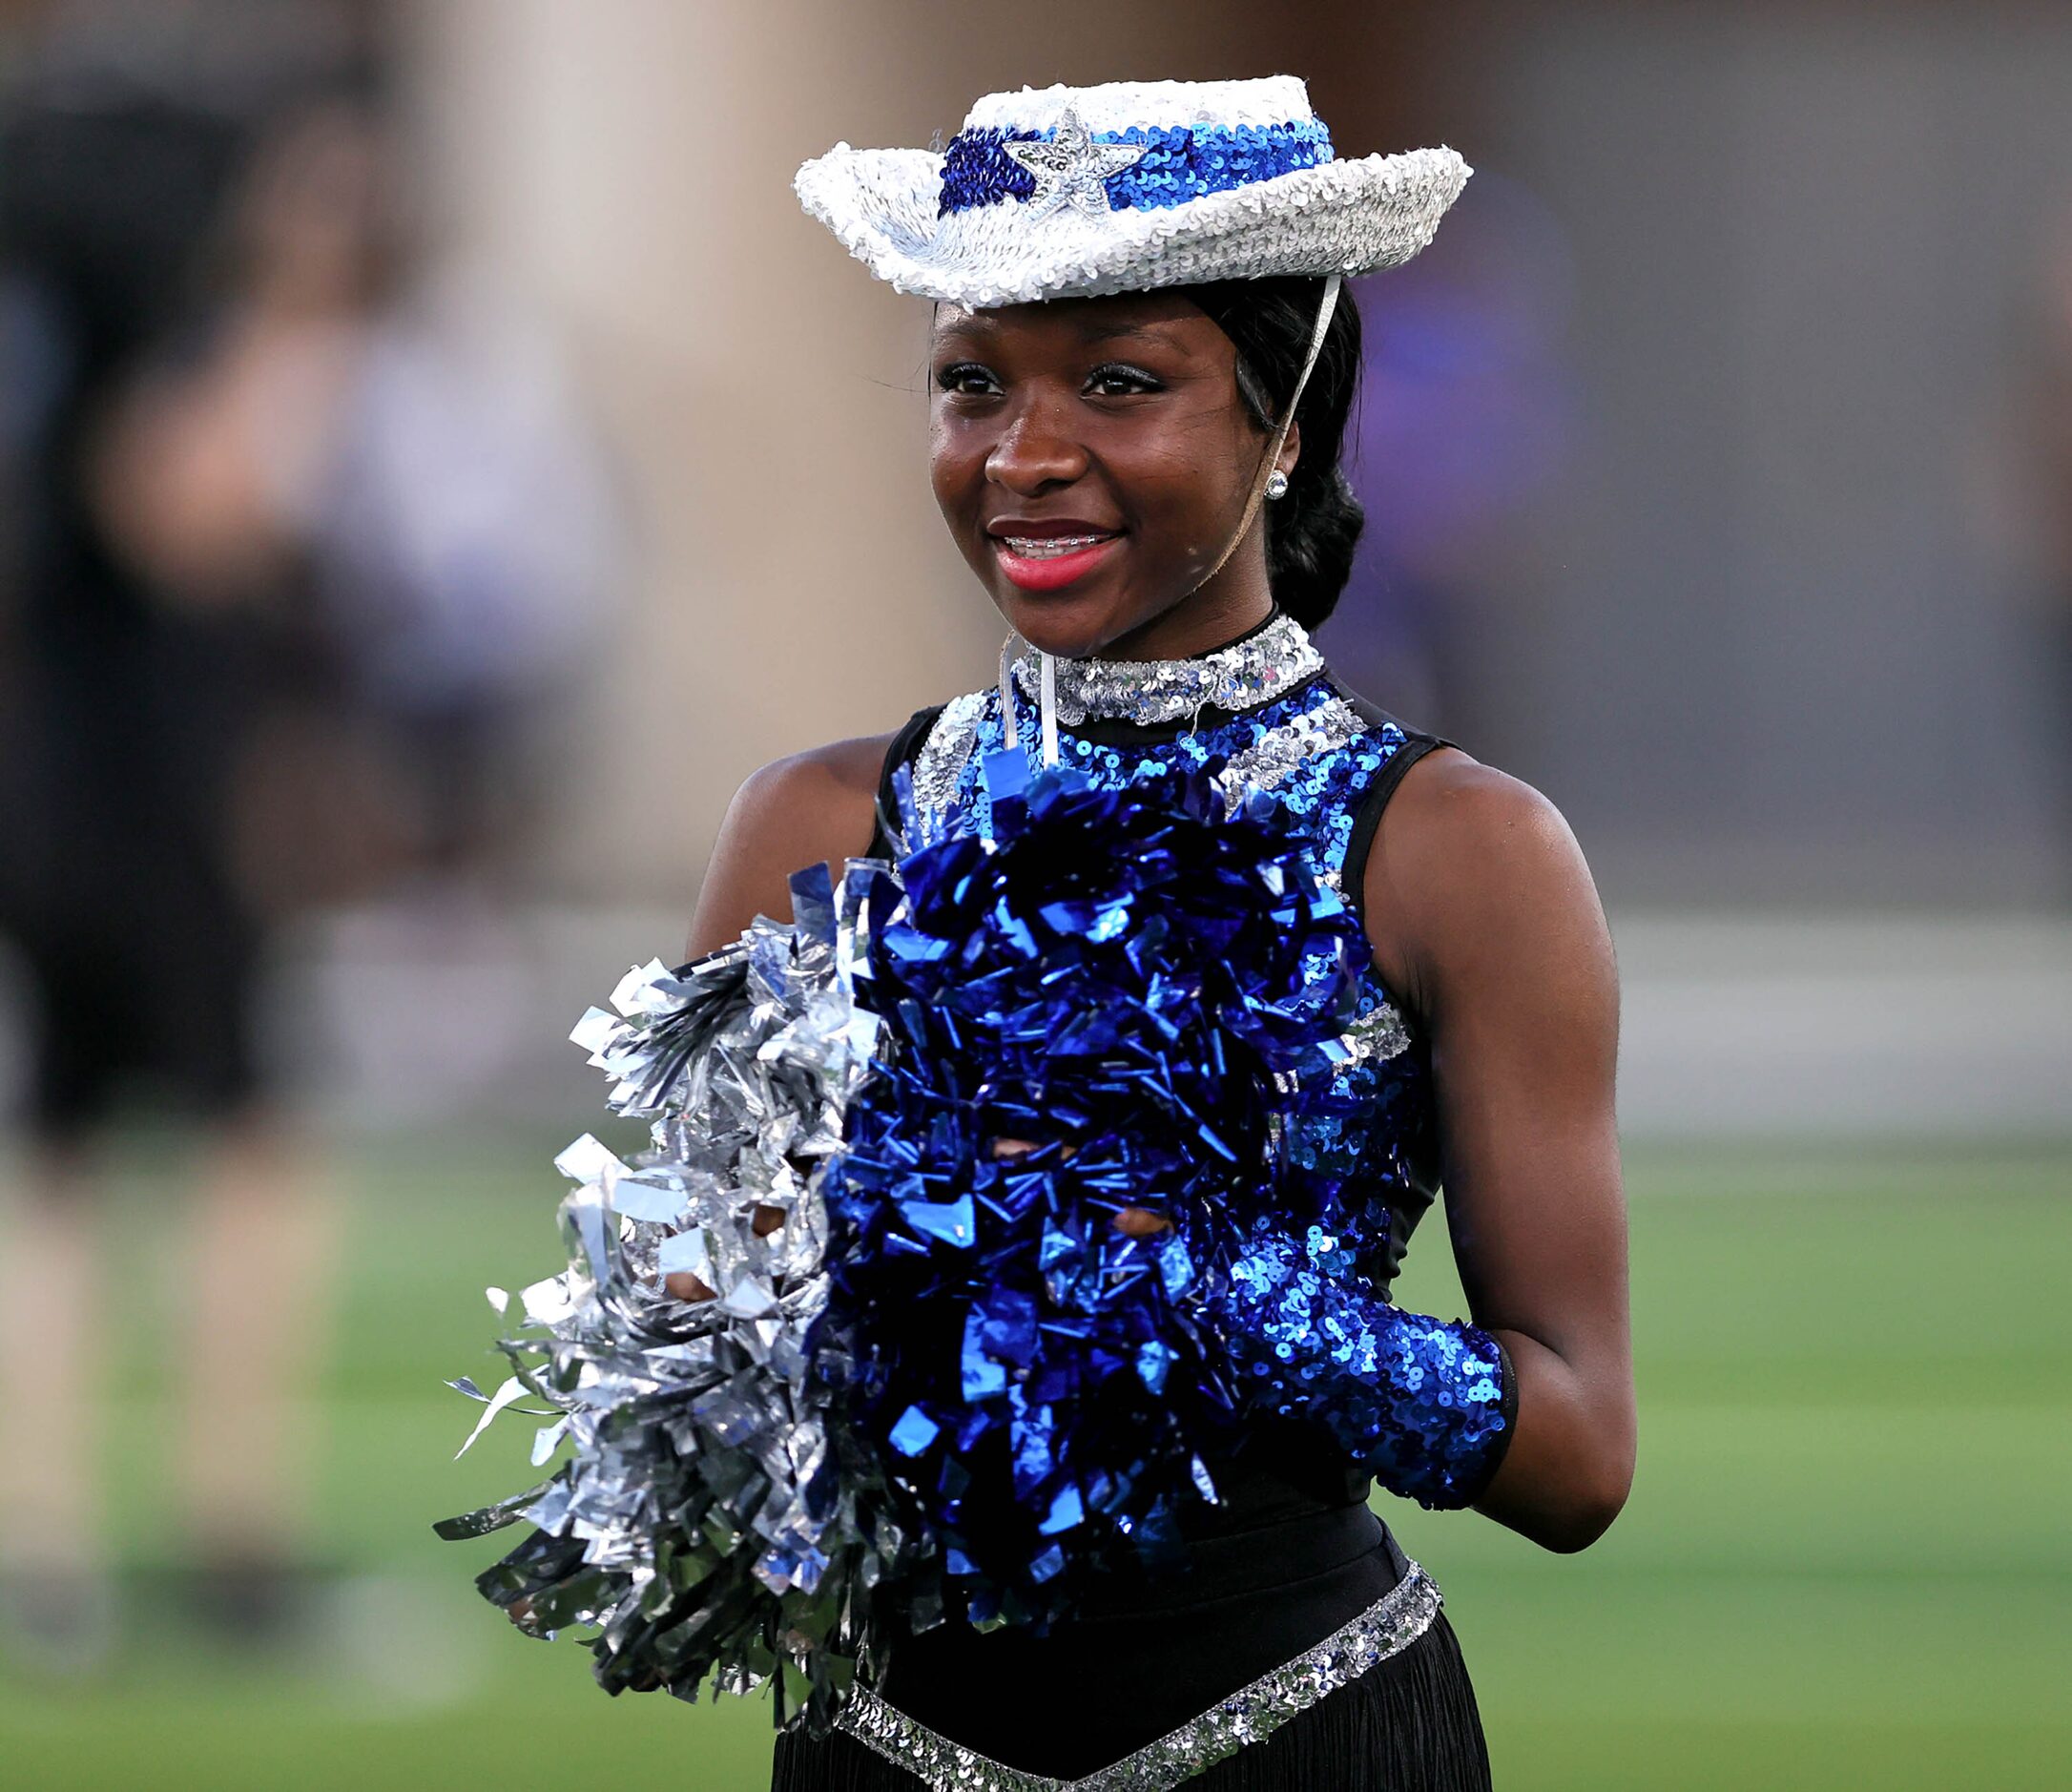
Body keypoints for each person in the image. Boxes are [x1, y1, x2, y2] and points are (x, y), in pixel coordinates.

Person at [682, 78, 1634, 1790]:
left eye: (1120, 382)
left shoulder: (1456, 850)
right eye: (974, 381)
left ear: (1283, 424)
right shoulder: (815, 831)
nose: (1025, 454)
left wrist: (1185, 1269)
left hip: (1302, 1735)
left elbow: (1575, 1453)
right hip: (881, 1750)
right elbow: (704, 1376)